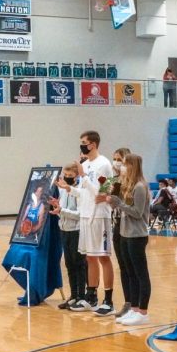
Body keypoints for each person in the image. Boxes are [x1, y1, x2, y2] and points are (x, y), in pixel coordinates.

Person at [58, 130, 114, 315]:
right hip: (85, 215)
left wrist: (82, 176)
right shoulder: (86, 164)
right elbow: (85, 193)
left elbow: (102, 193)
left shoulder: (104, 164)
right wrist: (70, 190)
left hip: (99, 216)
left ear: (93, 144)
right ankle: (91, 296)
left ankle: (108, 300)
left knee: (103, 257)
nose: (81, 145)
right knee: (90, 258)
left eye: (83, 142)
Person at [102, 153, 151, 326]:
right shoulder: (128, 186)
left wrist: (119, 204)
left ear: (132, 165)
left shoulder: (139, 186)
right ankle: (134, 308)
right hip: (126, 233)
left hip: (137, 235)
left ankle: (143, 312)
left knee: (140, 274)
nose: (121, 167)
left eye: (124, 164)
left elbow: (137, 213)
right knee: (130, 273)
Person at [50, 162, 84, 310]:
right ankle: (73, 295)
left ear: (76, 176)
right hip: (64, 230)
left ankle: (81, 296)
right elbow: (61, 209)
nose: (67, 178)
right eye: (66, 175)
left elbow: (80, 215)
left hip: (76, 231)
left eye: (70, 176)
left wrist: (62, 211)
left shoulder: (79, 191)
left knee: (79, 264)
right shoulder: (62, 190)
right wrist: (57, 206)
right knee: (69, 264)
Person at [111, 147, 133, 319]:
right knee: (123, 266)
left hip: (130, 225)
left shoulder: (133, 181)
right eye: (114, 159)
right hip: (116, 223)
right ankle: (127, 302)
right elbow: (108, 201)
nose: (116, 162)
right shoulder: (114, 179)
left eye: (119, 159)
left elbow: (129, 204)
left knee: (132, 266)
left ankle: (136, 305)